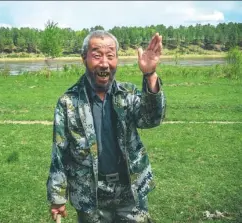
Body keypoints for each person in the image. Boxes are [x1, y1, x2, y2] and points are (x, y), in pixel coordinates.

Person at [46, 30, 166, 223]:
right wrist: (57, 196)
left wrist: (150, 74)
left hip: (130, 192)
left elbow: (151, 119)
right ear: (84, 58)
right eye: (96, 55)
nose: (104, 63)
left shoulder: (128, 94)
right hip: (90, 198)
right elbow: (59, 153)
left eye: (110, 56)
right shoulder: (68, 103)